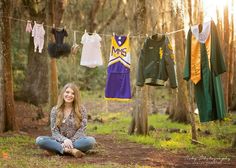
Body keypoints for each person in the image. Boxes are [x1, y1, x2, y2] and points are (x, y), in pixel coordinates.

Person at [36, 83, 96, 157]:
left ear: (75, 96)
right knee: (40, 140)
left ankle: (57, 149)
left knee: (91, 141)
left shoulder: (81, 109)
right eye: (67, 92)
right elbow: (54, 131)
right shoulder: (55, 110)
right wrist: (64, 140)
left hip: (77, 141)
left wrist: (70, 141)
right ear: (63, 93)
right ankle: (68, 150)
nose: (69, 95)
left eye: (73, 93)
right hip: (59, 141)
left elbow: (82, 129)